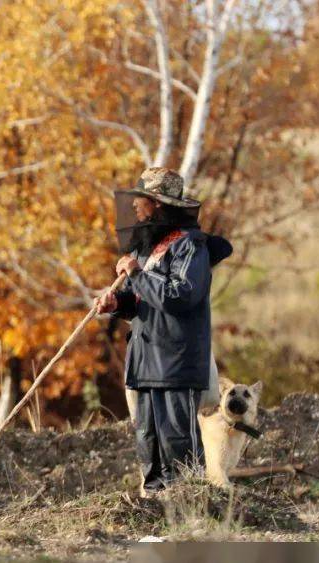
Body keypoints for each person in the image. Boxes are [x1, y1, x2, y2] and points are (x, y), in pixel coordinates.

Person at [94, 167, 227, 496]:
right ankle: (155, 512)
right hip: (146, 363)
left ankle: (190, 515)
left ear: (160, 205)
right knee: (149, 446)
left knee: (178, 447)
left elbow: (180, 295)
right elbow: (145, 301)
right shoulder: (146, 250)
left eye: (144, 200)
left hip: (176, 364)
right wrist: (117, 304)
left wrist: (137, 274)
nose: (136, 205)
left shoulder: (191, 247)